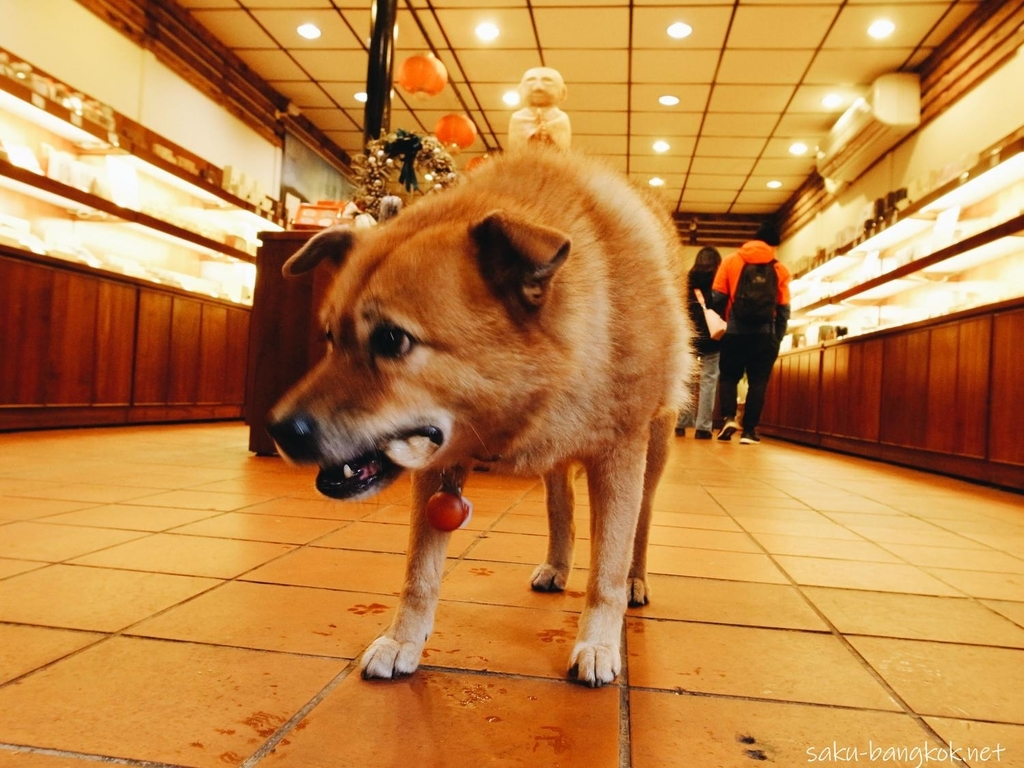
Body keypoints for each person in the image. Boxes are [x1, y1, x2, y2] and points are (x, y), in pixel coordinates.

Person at [711, 222, 791, 444]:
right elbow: (784, 308)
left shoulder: (731, 261)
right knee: (758, 382)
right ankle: (749, 431)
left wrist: (723, 323)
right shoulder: (779, 269)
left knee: (728, 376)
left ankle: (728, 417)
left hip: (734, 332)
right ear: (772, 245)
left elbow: (717, 297)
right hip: (765, 334)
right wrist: (778, 336)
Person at [676, 246, 723, 439]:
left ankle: (681, 423)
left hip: (691, 335)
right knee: (708, 380)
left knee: (687, 379)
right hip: (713, 337)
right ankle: (703, 427)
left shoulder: (688, 280)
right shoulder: (719, 280)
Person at [507, 67, 572, 150]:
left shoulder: (561, 118)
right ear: (520, 91)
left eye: (547, 81)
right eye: (530, 81)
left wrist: (549, 135)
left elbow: (563, 150)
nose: (538, 87)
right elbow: (515, 150)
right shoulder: (517, 118)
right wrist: (534, 135)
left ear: (562, 92)